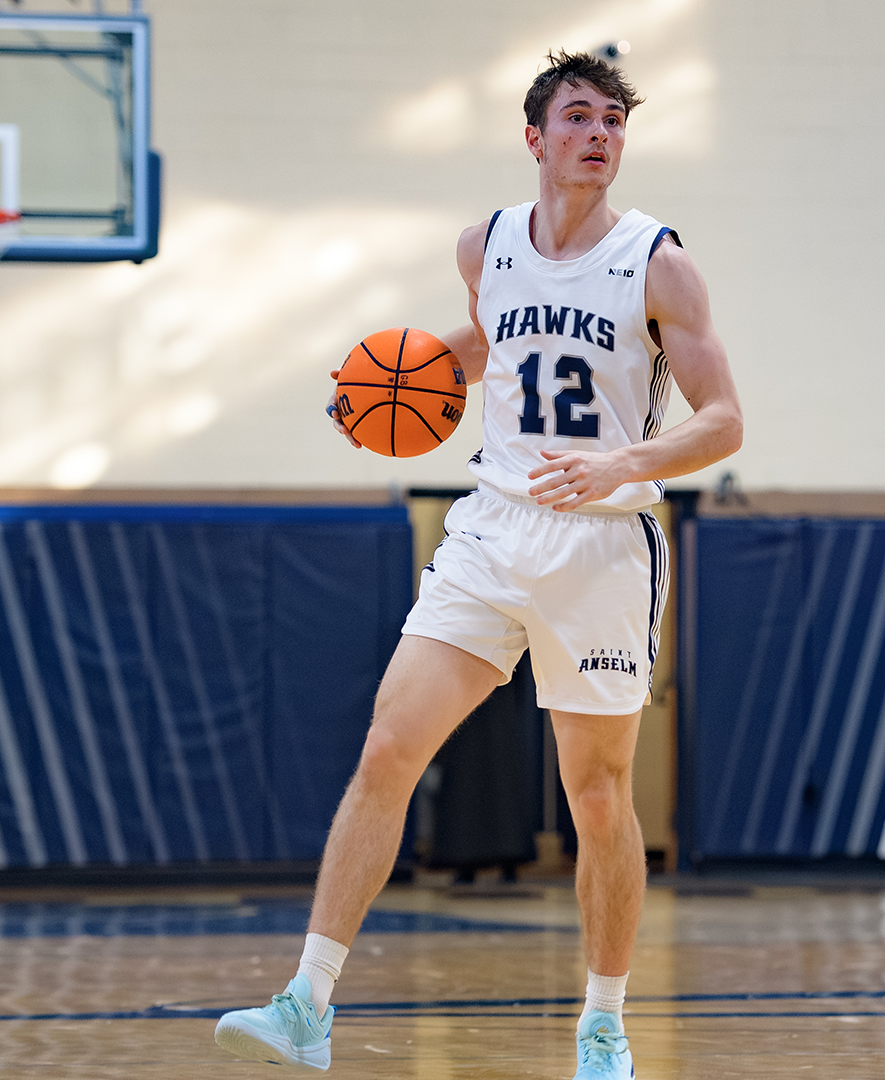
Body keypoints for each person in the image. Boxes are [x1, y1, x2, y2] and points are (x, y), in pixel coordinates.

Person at [214, 51, 743, 1080]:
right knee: (385, 752)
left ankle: (604, 1025)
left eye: (614, 122)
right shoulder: (485, 244)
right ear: (536, 137)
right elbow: (496, 337)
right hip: (494, 527)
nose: (600, 134)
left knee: (597, 795)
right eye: (579, 117)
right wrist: (385, 381)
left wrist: (623, 462)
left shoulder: (660, 264)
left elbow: (723, 422)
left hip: (603, 542)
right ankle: (305, 1005)